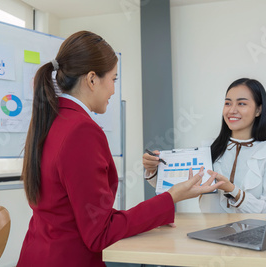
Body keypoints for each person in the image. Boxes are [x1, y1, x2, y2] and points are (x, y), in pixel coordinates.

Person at [17, 31, 222, 267]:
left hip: (38, 254)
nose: (114, 91)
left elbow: (82, 216)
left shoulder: (52, 119)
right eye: (113, 80)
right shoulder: (81, 131)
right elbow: (99, 233)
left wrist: (154, 215)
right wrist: (172, 197)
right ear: (92, 79)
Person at [143, 78, 266, 214]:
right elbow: (175, 186)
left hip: (254, 235)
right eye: (228, 103)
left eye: (241, 104)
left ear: (258, 110)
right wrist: (153, 169)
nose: (232, 110)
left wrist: (233, 191)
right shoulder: (209, 148)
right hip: (209, 233)